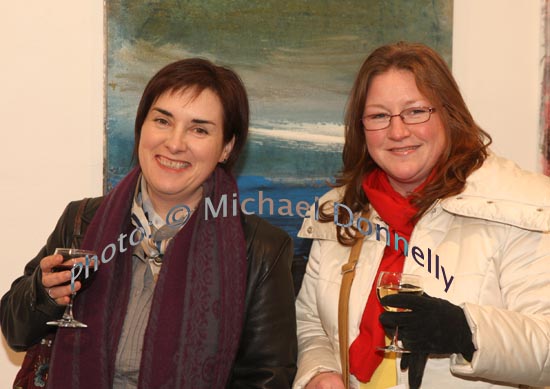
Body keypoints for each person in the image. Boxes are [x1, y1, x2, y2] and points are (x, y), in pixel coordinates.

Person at [0, 58, 297, 388]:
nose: (174, 143)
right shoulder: (81, 220)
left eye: (199, 129)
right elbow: (15, 332)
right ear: (142, 126)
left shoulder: (260, 249)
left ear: (226, 147)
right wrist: (43, 294)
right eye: (162, 121)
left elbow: (266, 379)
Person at [293, 42, 550, 389]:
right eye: (379, 116)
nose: (398, 132)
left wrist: (466, 331)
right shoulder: (339, 211)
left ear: (448, 113)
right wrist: (320, 372)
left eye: (415, 111)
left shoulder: (524, 204)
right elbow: (310, 322)